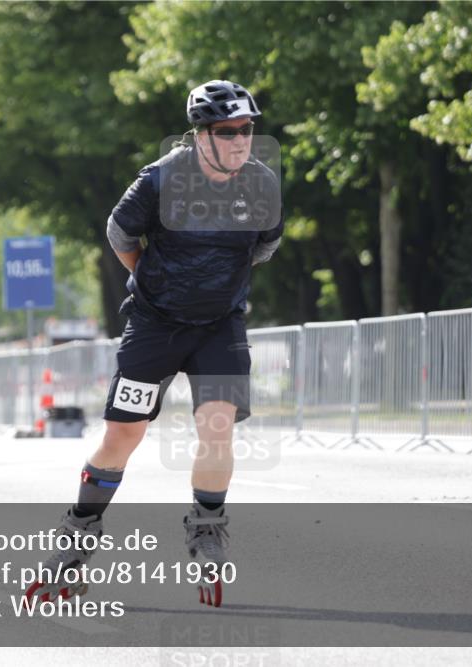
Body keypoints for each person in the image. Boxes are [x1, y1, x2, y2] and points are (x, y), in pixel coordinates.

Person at [26, 80, 283, 608]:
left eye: (248, 130)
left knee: (216, 426)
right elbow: (121, 236)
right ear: (201, 134)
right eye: (228, 131)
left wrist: (213, 286)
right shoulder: (160, 180)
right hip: (153, 325)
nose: (241, 140)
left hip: (220, 327)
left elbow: (264, 247)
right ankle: (76, 535)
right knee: (123, 436)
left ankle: (208, 528)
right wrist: (158, 283)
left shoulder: (260, 184)